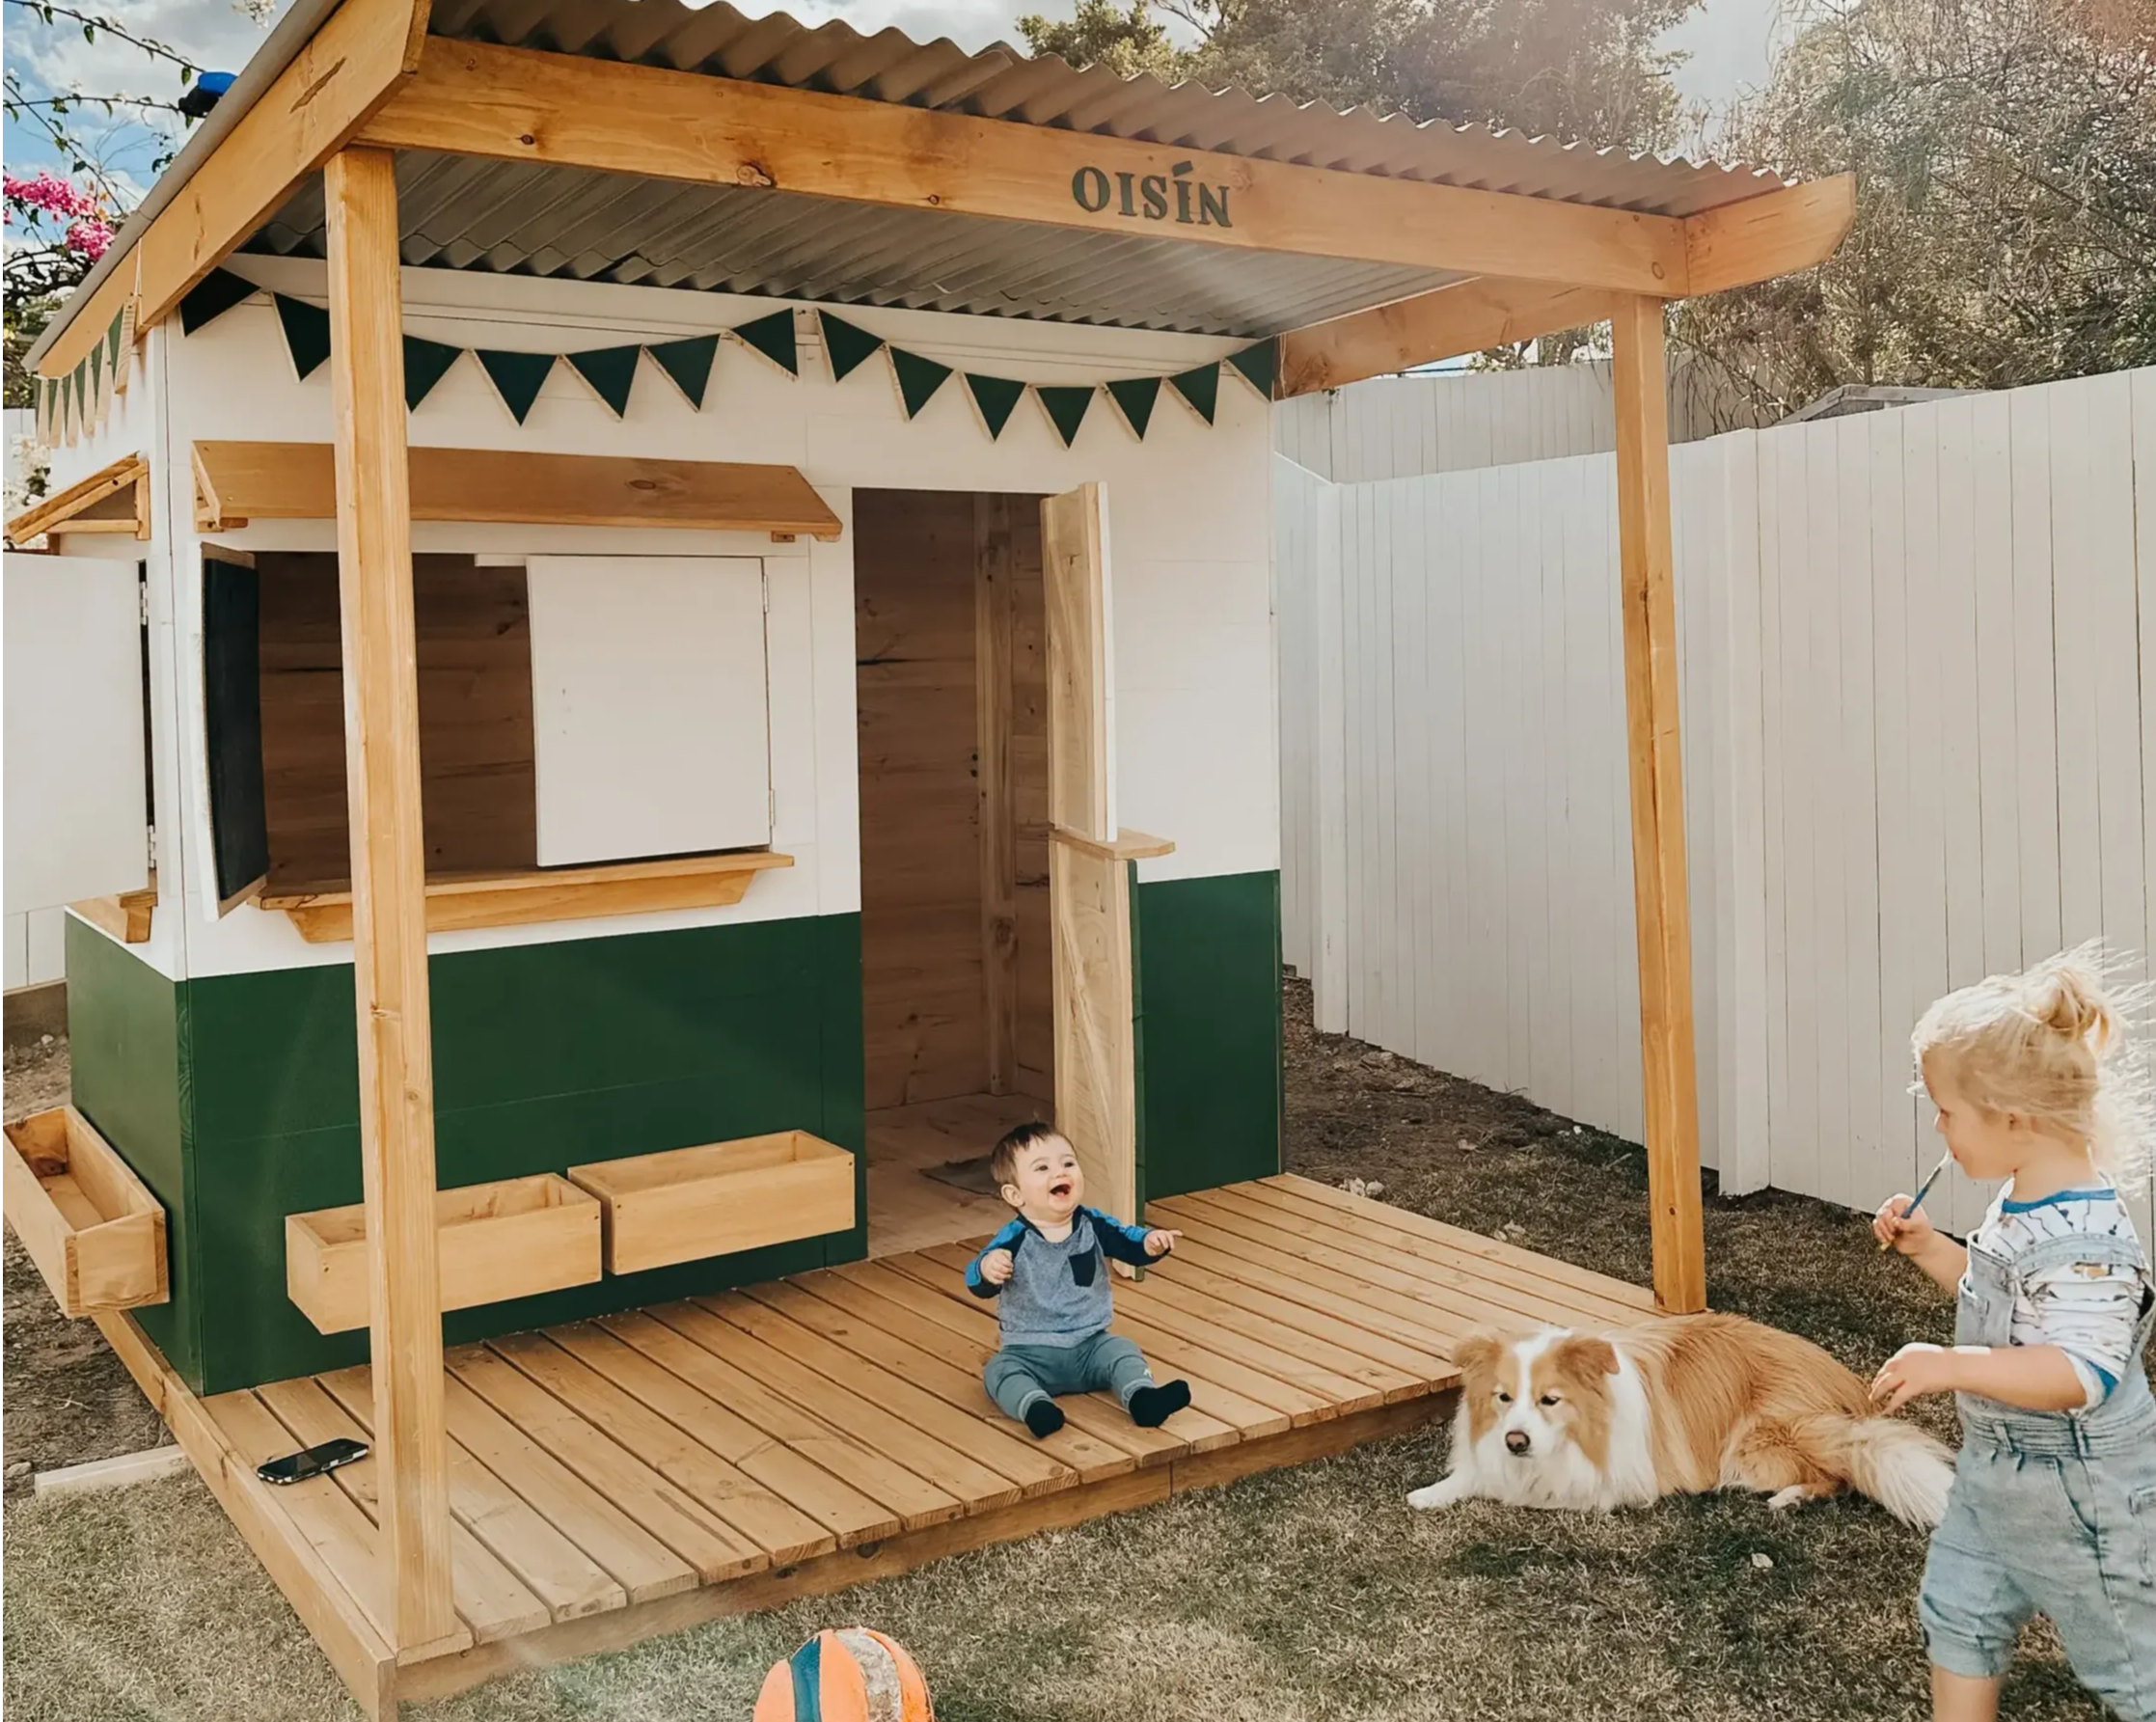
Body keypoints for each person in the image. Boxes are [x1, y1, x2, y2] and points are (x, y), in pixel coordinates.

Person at [1872, 945, 2156, 1722]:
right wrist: (1930, 1246)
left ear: (2012, 1118)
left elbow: (2080, 1371)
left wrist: (1951, 1364)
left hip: (2084, 1492)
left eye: (1946, 1111)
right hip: (1998, 1476)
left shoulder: (2089, 1236)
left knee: (2133, 1665)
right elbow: (2006, 1304)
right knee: (1958, 1612)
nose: (1937, 1126)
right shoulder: (2021, 1198)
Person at [964, 1120, 1191, 1438]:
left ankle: (1143, 1398)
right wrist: (988, 1267)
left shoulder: (1091, 1224)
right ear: (1015, 1194)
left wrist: (1149, 1243)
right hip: (1029, 1351)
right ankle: (1035, 1407)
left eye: (1068, 1163)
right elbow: (975, 1281)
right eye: (1042, 1168)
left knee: (1123, 1351)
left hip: (1090, 1345)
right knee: (999, 1372)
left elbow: (1126, 1240)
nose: (1060, 1173)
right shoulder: (1012, 1239)